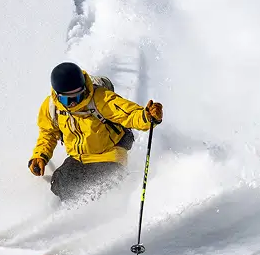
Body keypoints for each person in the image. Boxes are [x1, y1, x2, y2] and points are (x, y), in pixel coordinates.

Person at [29, 62, 163, 202]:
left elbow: (129, 114)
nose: (73, 103)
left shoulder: (101, 98)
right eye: (67, 99)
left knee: (102, 187)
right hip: (79, 158)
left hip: (110, 155)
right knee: (59, 183)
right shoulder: (52, 107)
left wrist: (147, 116)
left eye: (77, 97)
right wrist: (40, 156)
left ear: (84, 90)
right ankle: (76, 210)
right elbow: (48, 133)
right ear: (57, 95)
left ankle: (116, 199)